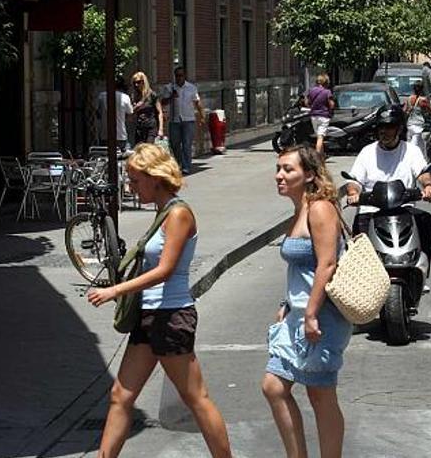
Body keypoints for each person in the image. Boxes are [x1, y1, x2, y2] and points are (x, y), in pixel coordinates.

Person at [86, 144, 232, 458]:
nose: (131, 187)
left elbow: (165, 270)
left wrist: (116, 290)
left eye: (135, 180)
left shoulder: (178, 214)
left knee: (196, 398)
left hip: (171, 315)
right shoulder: (163, 212)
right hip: (149, 314)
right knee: (120, 396)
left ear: (155, 177)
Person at [262, 145, 352, 458]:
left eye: (288, 169)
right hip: (297, 315)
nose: (279, 175)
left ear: (310, 174)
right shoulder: (300, 208)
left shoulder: (320, 208)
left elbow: (327, 263)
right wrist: (287, 303)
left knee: (321, 395)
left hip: (321, 317)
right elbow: (302, 268)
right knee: (273, 386)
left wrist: (311, 314)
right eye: (278, 168)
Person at [345, 105, 431, 268]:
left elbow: (422, 173)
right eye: (381, 127)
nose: (384, 131)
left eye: (389, 127)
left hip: (403, 210)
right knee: (358, 245)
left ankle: (420, 268)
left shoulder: (412, 151)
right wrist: (353, 193)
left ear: (399, 128)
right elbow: (354, 180)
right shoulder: (367, 152)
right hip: (371, 212)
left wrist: (428, 187)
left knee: (426, 221)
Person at [162, 66, 205, 175]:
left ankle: (186, 166)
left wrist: (202, 116)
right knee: (175, 143)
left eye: (181, 75)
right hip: (174, 120)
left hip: (188, 119)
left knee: (186, 144)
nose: (179, 78)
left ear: (184, 76)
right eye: (177, 76)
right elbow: (163, 102)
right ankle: (179, 162)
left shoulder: (191, 88)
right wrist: (171, 97)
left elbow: (197, 103)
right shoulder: (170, 88)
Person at [96, 76, 134, 151]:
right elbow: (130, 112)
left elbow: (98, 113)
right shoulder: (125, 97)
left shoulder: (102, 96)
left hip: (105, 134)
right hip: (121, 134)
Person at [404, 81, 431, 154]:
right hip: (418, 126)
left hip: (410, 124)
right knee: (417, 146)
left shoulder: (409, 98)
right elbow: (430, 110)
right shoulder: (423, 100)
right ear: (422, 89)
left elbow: (404, 110)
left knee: (415, 143)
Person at [131, 71, 164, 146]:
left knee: (149, 149)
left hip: (151, 127)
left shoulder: (152, 95)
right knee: (139, 150)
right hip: (139, 127)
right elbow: (131, 112)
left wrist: (161, 129)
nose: (136, 85)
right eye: (134, 83)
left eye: (139, 82)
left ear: (144, 82)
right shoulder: (135, 96)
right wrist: (138, 106)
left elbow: (159, 112)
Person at [305, 73, 335, 154]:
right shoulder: (327, 92)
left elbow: (307, 103)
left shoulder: (311, 90)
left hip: (314, 116)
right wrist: (331, 110)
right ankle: (317, 155)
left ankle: (322, 155)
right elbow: (331, 104)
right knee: (320, 137)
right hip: (324, 116)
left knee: (318, 135)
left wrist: (313, 106)